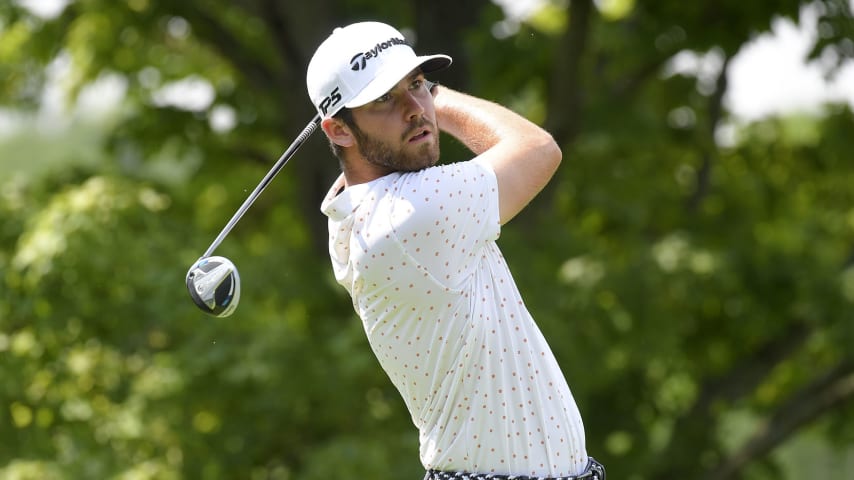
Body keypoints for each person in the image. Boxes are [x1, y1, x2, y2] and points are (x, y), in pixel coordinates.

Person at [306, 21, 605, 480]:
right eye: (385, 97)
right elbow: (537, 149)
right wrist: (436, 98)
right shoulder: (412, 216)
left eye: (418, 85)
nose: (414, 108)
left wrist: (401, 97)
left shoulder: (356, 211)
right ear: (339, 130)